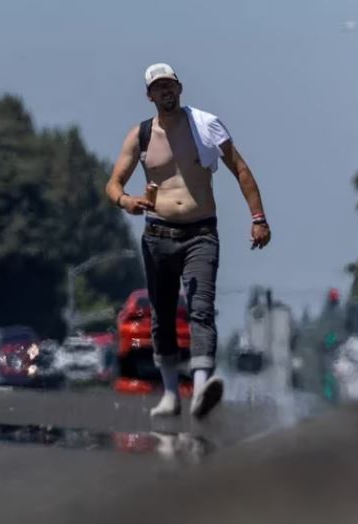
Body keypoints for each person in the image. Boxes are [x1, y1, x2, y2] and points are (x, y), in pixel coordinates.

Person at [105, 63, 271, 418]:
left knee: (201, 308)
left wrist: (258, 218)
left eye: (170, 86)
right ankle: (169, 393)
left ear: (180, 89)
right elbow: (113, 184)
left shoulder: (206, 126)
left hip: (201, 232)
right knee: (162, 317)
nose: (165, 92)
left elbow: (239, 168)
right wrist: (126, 201)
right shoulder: (141, 136)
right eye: (158, 88)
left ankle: (199, 389)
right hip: (158, 234)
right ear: (149, 95)